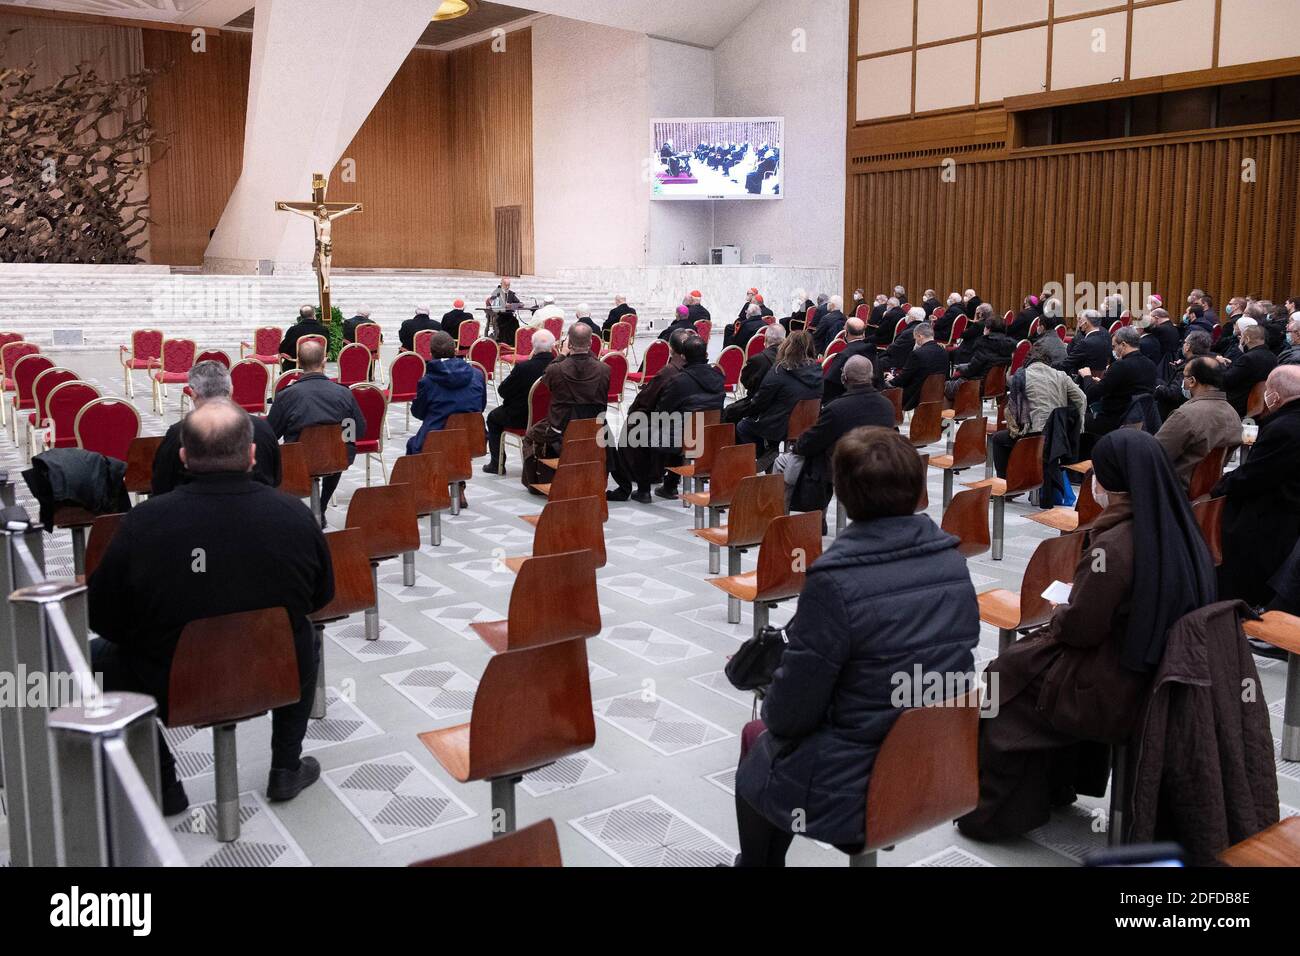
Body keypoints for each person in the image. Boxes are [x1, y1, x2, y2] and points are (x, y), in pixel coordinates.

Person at [733, 427, 979, 866]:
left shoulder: (834, 581)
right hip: (941, 761)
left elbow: (791, 713)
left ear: (842, 493)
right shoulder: (952, 561)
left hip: (860, 777)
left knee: (758, 736)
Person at [958, 429, 1216, 841]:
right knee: (1020, 666)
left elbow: (1082, 629)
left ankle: (998, 813)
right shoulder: (1181, 528)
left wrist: (1062, 611)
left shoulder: (1114, 544)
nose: (1092, 479)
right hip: (1158, 671)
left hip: (1118, 684)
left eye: (1097, 471)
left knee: (1002, 679)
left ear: (1112, 481)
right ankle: (1056, 787)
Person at [89, 399, 334, 816]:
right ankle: (286, 766)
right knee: (305, 635)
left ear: (184, 457)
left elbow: (103, 618)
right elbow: (320, 596)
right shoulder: (293, 513)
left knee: (96, 658)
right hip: (272, 673)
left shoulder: (143, 523)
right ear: (253, 453)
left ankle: (163, 784)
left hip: (171, 684)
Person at [1214, 366, 1300, 608]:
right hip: (1287, 509)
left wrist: (1219, 488)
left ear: (1275, 396)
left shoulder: (1284, 427)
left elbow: (1255, 475)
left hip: (1270, 514)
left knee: (1245, 571)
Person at [780, 357, 898, 515]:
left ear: (844, 378)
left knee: (782, 462)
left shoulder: (836, 408)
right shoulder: (887, 406)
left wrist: (797, 446)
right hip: (876, 464)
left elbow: (811, 443)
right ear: (871, 376)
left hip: (841, 468)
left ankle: (786, 520)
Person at [267, 340, 367, 524]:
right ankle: (321, 505)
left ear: (298, 361)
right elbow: (358, 430)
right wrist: (339, 437)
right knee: (343, 445)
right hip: (336, 458)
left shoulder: (286, 395)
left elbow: (271, 434)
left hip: (298, 460)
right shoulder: (343, 393)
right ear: (324, 360)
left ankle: (294, 510)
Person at [152, 361, 280, 494]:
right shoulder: (263, 429)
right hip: (258, 509)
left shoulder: (178, 432)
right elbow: (275, 478)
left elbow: (161, 485)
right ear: (231, 390)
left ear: (192, 393)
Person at [522, 324, 611, 487]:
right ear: (591, 343)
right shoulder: (604, 369)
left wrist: (562, 354)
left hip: (559, 429)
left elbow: (545, 379)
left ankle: (534, 483)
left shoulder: (556, 369)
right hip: (593, 427)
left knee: (530, 436)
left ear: (569, 344)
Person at [607, 329, 690, 503]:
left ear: (671, 349)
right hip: (692, 428)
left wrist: (634, 411)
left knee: (635, 425)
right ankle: (670, 484)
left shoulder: (668, 373)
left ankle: (643, 488)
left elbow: (645, 400)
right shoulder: (701, 373)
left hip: (668, 426)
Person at [989, 338, 1086, 478]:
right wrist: (1077, 428)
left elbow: (1015, 414)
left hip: (1035, 435)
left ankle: (1007, 484)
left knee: (999, 439)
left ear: (1027, 360)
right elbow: (1081, 398)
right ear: (1048, 361)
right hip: (1059, 437)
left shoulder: (1021, 376)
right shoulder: (1061, 375)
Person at [1153, 356, 1243, 491]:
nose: (1183, 382)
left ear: (1192, 381)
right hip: (1208, 491)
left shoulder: (1186, 415)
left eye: (1184, 377)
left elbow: (1154, 455)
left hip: (1173, 491)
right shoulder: (1233, 414)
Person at [736, 330, 824, 464]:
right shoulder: (817, 370)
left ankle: (764, 455)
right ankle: (769, 453)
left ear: (786, 346)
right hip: (809, 422)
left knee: (743, 426)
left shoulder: (779, 370)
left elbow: (761, 401)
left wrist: (750, 410)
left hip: (780, 426)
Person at [407, 330, 488, 457]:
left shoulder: (428, 382)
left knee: (413, 445)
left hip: (436, 440)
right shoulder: (477, 375)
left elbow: (418, 413)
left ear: (431, 354)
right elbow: (481, 407)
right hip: (472, 437)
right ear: (455, 350)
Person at [484, 330, 555, 474]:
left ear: (533, 346)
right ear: (552, 346)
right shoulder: (560, 367)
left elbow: (503, 391)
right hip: (551, 417)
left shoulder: (524, 367)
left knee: (492, 418)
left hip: (521, 417)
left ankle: (497, 463)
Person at [1081, 326, 1156, 437]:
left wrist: (1087, 376)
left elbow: (1091, 394)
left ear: (1123, 345)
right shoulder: (1151, 364)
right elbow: (1129, 387)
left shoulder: (1120, 366)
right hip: (1139, 421)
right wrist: (1103, 381)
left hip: (1114, 421)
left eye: (1114, 346)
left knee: (1074, 418)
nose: (1113, 351)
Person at [726, 324, 785, 424]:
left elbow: (746, 382)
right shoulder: (790, 359)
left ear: (765, 340)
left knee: (729, 412)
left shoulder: (757, 360)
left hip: (760, 406)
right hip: (783, 407)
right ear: (784, 340)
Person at [948, 313, 1015, 398]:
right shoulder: (1008, 346)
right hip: (997, 385)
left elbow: (972, 369)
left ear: (988, 329)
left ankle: (957, 410)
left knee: (947, 387)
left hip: (978, 384)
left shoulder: (985, 344)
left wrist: (960, 368)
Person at [885, 321, 948, 410]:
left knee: (883, 392)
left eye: (915, 339)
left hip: (915, 396)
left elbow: (903, 379)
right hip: (937, 394)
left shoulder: (917, 354)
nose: (916, 341)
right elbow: (946, 376)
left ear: (920, 336)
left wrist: (892, 380)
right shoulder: (944, 352)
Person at [1219, 323, 1277, 417]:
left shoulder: (1248, 358)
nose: (1240, 340)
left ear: (1247, 339)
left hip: (1240, 406)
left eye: (1241, 337)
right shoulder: (1272, 357)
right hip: (1261, 405)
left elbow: (1227, 380)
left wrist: (1221, 365)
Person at [821, 318, 875, 405]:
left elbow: (829, 384)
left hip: (847, 402)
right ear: (863, 333)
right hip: (870, 399)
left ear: (846, 333)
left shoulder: (844, 355)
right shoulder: (872, 350)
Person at [1057, 309, 1111, 380]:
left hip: (1083, 381)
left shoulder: (1085, 343)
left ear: (1086, 324)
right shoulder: (1106, 337)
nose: (1079, 324)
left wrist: (1050, 366)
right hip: (1101, 379)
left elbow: (1066, 364)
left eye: (1081, 321)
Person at [279, 304, 328, 372]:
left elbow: (283, 349)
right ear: (314, 314)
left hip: (296, 366)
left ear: (301, 316)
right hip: (317, 366)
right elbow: (327, 349)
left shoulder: (294, 330)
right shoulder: (323, 330)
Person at [879, 306, 925, 375]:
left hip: (902, 361)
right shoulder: (925, 328)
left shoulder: (909, 332)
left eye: (908, 314)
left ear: (913, 318)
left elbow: (893, 350)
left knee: (875, 362)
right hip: (914, 359)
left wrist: (879, 355)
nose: (906, 316)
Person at [489, 276, 523, 346]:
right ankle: (503, 344)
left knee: (515, 322)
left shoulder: (511, 293)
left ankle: (513, 344)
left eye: (508, 285)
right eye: (506, 285)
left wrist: (517, 304)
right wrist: (504, 305)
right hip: (499, 315)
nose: (507, 287)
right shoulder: (496, 292)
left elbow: (518, 302)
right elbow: (492, 303)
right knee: (505, 323)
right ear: (501, 284)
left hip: (509, 316)